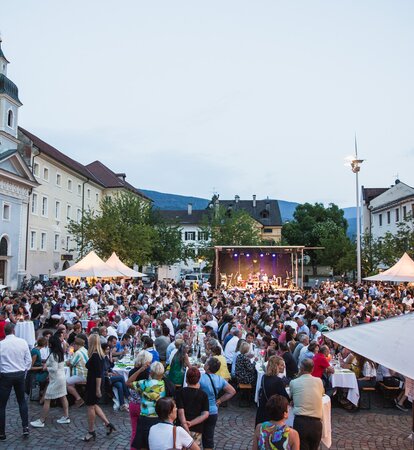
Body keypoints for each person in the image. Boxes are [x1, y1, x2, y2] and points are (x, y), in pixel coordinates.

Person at [128, 361, 173, 450]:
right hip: (159, 418)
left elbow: (128, 382)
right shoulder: (166, 384)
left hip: (145, 418)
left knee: (143, 445)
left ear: (151, 372)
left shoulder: (144, 384)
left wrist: (140, 370)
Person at [30, 334, 71, 427]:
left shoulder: (53, 355)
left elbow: (54, 368)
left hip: (56, 379)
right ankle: (66, 416)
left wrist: (46, 368)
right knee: (63, 397)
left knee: (47, 399)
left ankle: (41, 420)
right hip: (61, 378)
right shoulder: (60, 353)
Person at [0, 323, 32, 440]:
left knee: (2, 405)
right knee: (21, 401)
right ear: (13, 331)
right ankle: (25, 427)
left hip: (6, 375)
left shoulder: (1, 344)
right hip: (19, 374)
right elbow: (28, 360)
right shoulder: (22, 342)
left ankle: (2, 433)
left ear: (5, 332)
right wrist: (24, 371)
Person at [81, 334, 116, 442]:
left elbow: (98, 375)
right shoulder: (98, 355)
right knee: (94, 405)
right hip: (93, 383)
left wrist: (97, 389)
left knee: (90, 407)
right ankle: (108, 424)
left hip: (94, 384)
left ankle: (91, 431)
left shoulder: (96, 356)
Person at [199, 357, 236, 450]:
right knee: (209, 438)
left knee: (197, 436)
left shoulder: (200, 378)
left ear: (207, 367)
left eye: (206, 363)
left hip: (200, 411)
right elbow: (232, 391)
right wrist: (219, 400)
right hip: (213, 411)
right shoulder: (219, 379)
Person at [289, 359, 324, 450]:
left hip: (301, 422)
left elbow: (291, 397)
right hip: (316, 423)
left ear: (300, 368)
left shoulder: (294, 382)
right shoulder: (319, 381)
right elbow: (322, 393)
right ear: (312, 370)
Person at [176, 367, 210, 446]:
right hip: (196, 428)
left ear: (186, 379)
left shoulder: (180, 392)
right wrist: (191, 423)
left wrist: (184, 424)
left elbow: (181, 411)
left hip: (181, 427)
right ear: (198, 379)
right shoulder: (203, 395)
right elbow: (205, 414)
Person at [127, 351, 152, 450]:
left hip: (132, 404)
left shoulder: (131, 371)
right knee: (144, 432)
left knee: (134, 431)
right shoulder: (146, 374)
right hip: (142, 405)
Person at [255, 356, 289, 426]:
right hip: (271, 414)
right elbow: (285, 397)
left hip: (262, 411)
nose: (284, 367)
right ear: (276, 366)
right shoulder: (278, 381)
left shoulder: (264, 377)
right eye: (282, 365)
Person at [66, 337, 89, 407]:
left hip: (81, 375)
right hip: (86, 373)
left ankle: (78, 399)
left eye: (74, 345)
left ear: (77, 345)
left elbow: (71, 363)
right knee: (71, 383)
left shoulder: (78, 353)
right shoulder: (85, 350)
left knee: (65, 384)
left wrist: (70, 353)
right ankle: (75, 398)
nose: (73, 347)